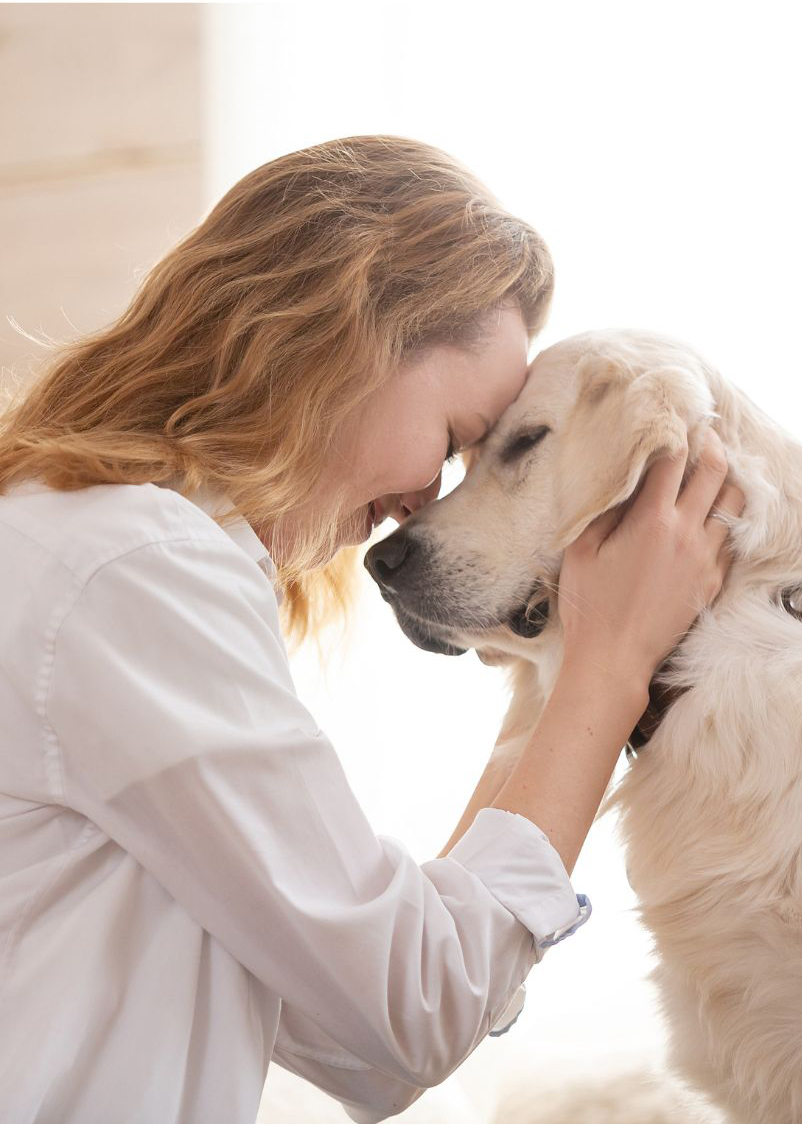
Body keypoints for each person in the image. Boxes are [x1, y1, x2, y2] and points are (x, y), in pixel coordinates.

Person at [0, 136, 744, 1124]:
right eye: (452, 438)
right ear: (343, 337)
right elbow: (410, 1010)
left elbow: (370, 1047)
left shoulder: (84, 545)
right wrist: (604, 672)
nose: (423, 501)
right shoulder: (133, 567)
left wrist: (560, 668)